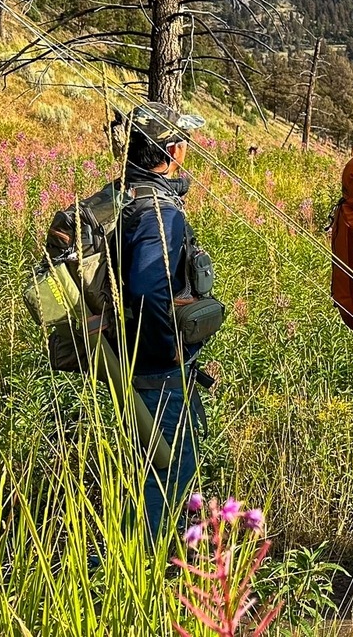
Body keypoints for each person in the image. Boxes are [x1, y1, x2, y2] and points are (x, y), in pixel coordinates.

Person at [112, 101, 218, 546]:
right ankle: (143, 563)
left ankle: (144, 555)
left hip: (127, 355)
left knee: (149, 467)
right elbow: (146, 288)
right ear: (172, 150)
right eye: (183, 141)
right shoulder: (161, 212)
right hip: (157, 368)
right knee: (170, 469)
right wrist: (170, 350)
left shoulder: (121, 196)